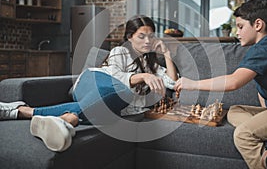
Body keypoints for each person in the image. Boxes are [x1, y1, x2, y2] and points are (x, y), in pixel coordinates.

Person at [0, 15, 178, 152]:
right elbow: (115, 77)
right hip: (92, 83)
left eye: (151, 36)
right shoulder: (120, 51)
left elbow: (172, 82)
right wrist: (143, 77)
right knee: (122, 92)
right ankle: (28, 111)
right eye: (142, 36)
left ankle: (67, 119)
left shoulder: (151, 64)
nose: (147, 41)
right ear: (130, 37)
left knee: (112, 110)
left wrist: (167, 54)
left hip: (110, 102)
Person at [174, 0, 267, 169]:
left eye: (240, 27)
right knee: (234, 110)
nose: (237, 32)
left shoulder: (263, 48)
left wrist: (192, 84)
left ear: (258, 24)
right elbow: (264, 90)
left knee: (243, 134)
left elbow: (233, 82)